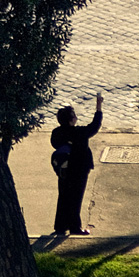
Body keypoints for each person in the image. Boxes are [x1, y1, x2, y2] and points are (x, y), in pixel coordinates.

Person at [51, 93, 103, 235]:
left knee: (63, 196)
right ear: (71, 120)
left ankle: (60, 226)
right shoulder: (79, 133)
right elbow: (95, 126)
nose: (76, 117)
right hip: (79, 169)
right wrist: (98, 107)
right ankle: (75, 227)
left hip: (64, 169)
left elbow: (55, 144)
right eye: (74, 116)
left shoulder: (56, 133)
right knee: (76, 198)